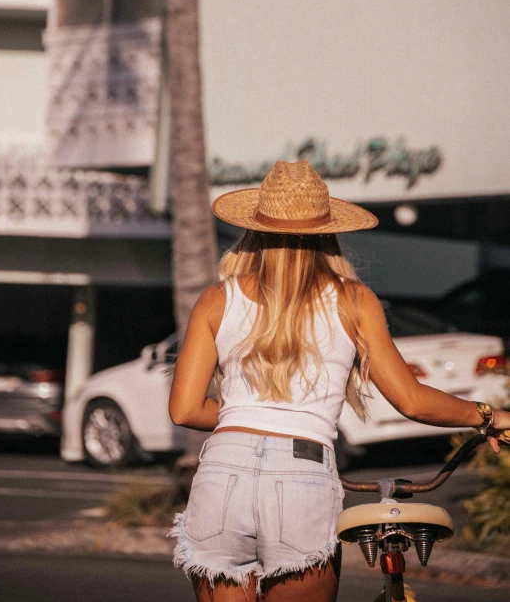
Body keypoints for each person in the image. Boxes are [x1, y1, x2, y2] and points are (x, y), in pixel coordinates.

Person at [168, 160, 510, 602]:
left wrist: (246, 421)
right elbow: (411, 400)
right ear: (328, 231)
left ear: (255, 228)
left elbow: (185, 409)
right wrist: (487, 416)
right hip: (301, 473)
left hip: (220, 473)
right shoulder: (353, 301)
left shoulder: (218, 298)